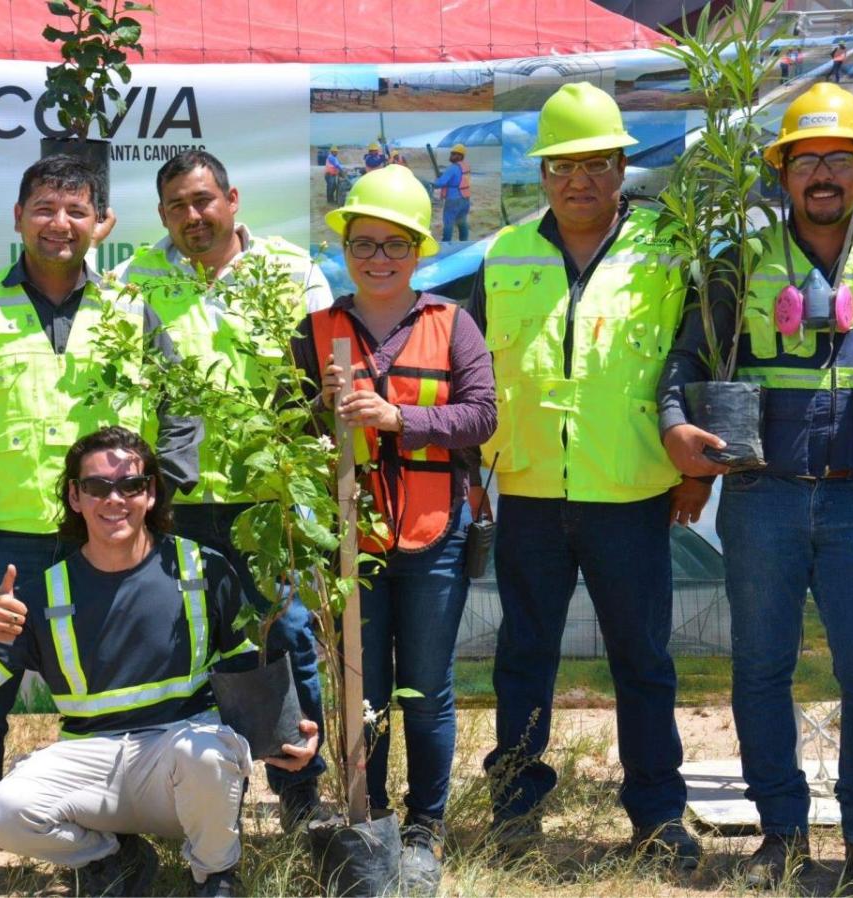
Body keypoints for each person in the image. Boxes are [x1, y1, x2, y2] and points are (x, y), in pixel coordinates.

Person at [0, 154, 201, 893]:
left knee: (115, 699)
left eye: (76, 211)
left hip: (101, 547)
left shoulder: (129, 308)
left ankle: (112, 846)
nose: (59, 223)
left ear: (99, 224)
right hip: (2, 543)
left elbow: (180, 410)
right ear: (18, 218)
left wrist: (154, 501)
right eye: (44, 207)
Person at [659, 82, 853, 892]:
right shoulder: (741, 263)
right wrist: (678, 431)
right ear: (782, 176)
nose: (825, 175)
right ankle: (782, 837)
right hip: (761, 497)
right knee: (761, 668)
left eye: (842, 158)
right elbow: (685, 365)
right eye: (808, 161)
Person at [0, 426, 319, 898]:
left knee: (208, 754)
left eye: (130, 485)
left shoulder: (200, 567)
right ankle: (113, 859)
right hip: (92, 765)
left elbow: (242, 662)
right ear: (74, 496)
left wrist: (280, 737)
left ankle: (215, 876)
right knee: (3, 812)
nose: (115, 499)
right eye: (96, 487)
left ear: (150, 493)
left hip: (179, 761)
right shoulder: (45, 594)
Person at [469, 82, 704, 866]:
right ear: (541, 176)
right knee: (523, 658)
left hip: (630, 492)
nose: (580, 181)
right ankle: (514, 811)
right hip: (531, 490)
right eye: (563, 166)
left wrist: (694, 471)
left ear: (621, 168)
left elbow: (691, 365)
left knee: (643, 659)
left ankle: (658, 815)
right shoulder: (506, 254)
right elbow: (475, 371)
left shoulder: (666, 251)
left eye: (597, 164)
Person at [113, 149, 333, 834]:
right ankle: (201, 806)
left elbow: (324, 379)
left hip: (267, 498)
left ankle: (303, 799)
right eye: (177, 205)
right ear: (161, 215)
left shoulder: (291, 271)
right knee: (182, 649)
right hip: (173, 502)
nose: (192, 215)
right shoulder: (132, 279)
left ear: (233, 200)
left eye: (203, 199)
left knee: (284, 639)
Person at [293, 164, 497, 895]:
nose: (379, 258)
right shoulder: (315, 331)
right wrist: (323, 416)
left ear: (419, 251)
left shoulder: (452, 324)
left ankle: (425, 832)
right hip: (351, 542)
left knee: (426, 689)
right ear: (345, 247)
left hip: (434, 534)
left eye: (395, 245)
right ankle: (370, 817)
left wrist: (399, 418)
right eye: (364, 243)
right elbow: (290, 431)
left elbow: (482, 415)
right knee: (361, 685)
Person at [433, 144, 471, 242]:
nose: (452, 156)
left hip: (453, 199)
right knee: (462, 222)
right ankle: (464, 242)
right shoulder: (465, 166)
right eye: (452, 153)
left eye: (455, 154)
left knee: (448, 223)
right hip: (465, 198)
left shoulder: (452, 168)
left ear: (460, 156)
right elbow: (457, 179)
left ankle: (446, 244)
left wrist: (434, 182)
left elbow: (440, 183)